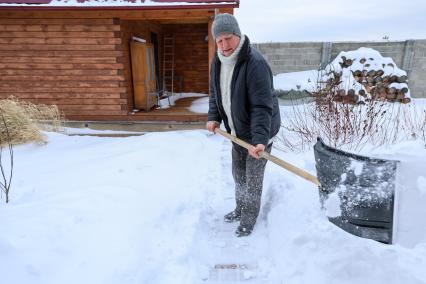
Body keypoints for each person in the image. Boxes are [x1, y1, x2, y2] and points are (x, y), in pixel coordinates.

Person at [206, 13, 281, 237]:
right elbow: (215, 94)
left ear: (238, 35)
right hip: (236, 133)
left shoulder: (255, 63)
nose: (224, 45)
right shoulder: (218, 61)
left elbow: (261, 106)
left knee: (252, 180)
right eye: (219, 41)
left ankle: (249, 219)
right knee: (238, 174)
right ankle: (240, 209)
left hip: (259, 134)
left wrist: (259, 140)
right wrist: (214, 117)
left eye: (228, 38)